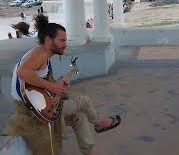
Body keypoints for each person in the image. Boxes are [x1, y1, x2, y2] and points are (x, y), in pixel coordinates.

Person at [4, 14, 121, 155]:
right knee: (84, 101)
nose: (65, 44)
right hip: (31, 110)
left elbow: (43, 85)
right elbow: (23, 72)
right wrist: (52, 87)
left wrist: (58, 85)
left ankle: (91, 152)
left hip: (38, 104)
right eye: (62, 40)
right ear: (48, 39)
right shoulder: (39, 54)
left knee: (80, 117)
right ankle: (98, 124)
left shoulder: (43, 58)